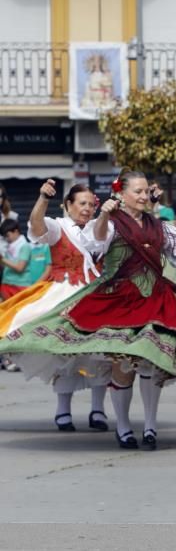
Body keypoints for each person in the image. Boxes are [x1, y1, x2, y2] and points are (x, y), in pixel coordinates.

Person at [0, 171, 176, 450]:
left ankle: (150, 428)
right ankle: (120, 427)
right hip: (119, 298)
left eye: (146, 191)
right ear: (121, 194)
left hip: (155, 297)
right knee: (122, 364)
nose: (144, 196)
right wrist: (104, 215)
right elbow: (95, 242)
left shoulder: (159, 226)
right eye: (138, 191)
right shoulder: (104, 223)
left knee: (151, 360)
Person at [0, 181, 109, 428]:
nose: (87, 208)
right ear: (68, 205)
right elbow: (37, 227)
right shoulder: (58, 227)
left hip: (96, 293)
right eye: (82, 203)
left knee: (102, 352)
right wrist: (42, 198)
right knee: (65, 354)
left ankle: (98, 410)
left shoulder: (100, 227)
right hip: (65, 293)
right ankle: (63, 411)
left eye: (91, 204)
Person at [1, 220, 33, 300]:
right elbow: (7, 266)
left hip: (21, 285)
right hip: (7, 284)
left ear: (16, 231)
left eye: (8, 235)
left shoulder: (24, 246)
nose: (7, 239)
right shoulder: (10, 246)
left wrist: (2, 259)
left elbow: (20, 268)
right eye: (5, 237)